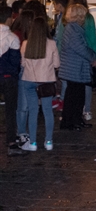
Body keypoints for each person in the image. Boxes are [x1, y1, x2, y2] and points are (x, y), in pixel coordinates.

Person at [18, 16, 59, 151]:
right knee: (47, 111)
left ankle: (33, 143)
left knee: (32, 111)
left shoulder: (25, 44)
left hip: (29, 80)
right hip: (46, 81)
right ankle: (48, 141)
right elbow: (57, 64)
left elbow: (23, 64)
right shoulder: (52, 44)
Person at [59, 4, 96, 131]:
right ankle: (71, 121)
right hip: (73, 68)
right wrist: (92, 58)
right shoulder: (73, 30)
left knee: (76, 95)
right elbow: (81, 48)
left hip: (74, 68)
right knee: (74, 96)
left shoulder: (73, 29)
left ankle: (75, 120)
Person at [0, 5, 23, 156]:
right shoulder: (12, 38)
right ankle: (11, 142)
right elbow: (15, 62)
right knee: (10, 109)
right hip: (8, 77)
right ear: (9, 19)